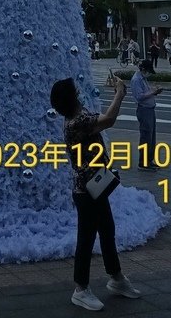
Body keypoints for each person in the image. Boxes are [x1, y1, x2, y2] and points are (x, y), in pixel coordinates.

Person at [51, 76, 141, 311]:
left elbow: (99, 118)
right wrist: (120, 93)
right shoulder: (76, 123)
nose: (79, 92)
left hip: (95, 187)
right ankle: (80, 289)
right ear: (70, 98)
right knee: (87, 238)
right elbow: (108, 120)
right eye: (75, 91)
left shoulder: (77, 116)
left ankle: (117, 278)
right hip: (87, 191)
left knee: (107, 231)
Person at [130, 59, 162, 170]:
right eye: (148, 71)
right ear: (143, 69)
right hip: (144, 110)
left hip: (149, 109)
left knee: (151, 136)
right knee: (145, 136)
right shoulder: (136, 80)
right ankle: (143, 162)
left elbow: (145, 93)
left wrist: (153, 91)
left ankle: (149, 160)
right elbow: (139, 97)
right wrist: (153, 92)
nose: (148, 73)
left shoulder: (142, 79)